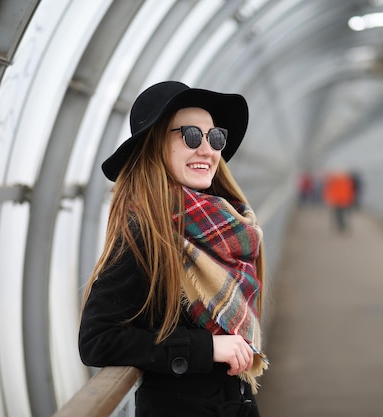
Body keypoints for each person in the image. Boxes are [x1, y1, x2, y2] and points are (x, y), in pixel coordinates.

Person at [78, 81, 268, 417]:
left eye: (215, 137)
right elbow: (98, 339)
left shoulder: (231, 224)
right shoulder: (147, 233)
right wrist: (205, 347)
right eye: (191, 135)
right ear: (154, 145)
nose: (207, 150)